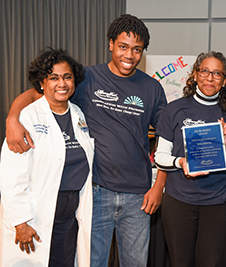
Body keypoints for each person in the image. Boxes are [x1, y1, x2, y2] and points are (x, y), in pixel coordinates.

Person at [5, 14, 167, 266]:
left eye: (137, 50)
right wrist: (13, 118)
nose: (129, 55)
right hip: (96, 192)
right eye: (123, 47)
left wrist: (158, 187)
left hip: (138, 194)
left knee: (135, 262)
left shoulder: (152, 88)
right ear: (111, 43)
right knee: (92, 262)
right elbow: (36, 92)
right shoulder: (86, 78)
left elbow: (167, 138)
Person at [0, 48, 93, 266]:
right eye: (54, 78)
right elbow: (11, 175)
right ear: (42, 83)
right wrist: (20, 222)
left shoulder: (78, 114)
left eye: (67, 77)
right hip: (35, 215)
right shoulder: (27, 117)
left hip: (69, 217)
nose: (62, 83)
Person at [154, 51, 226, 267]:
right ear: (195, 74)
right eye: (204, 71)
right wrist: (181, 162)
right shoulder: (174, 110)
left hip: (216, 203)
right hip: (178, 202)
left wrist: (225, 148)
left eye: (217, 73)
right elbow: (160, 157)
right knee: (180, 262)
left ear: (224, 81)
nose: (210, 77)